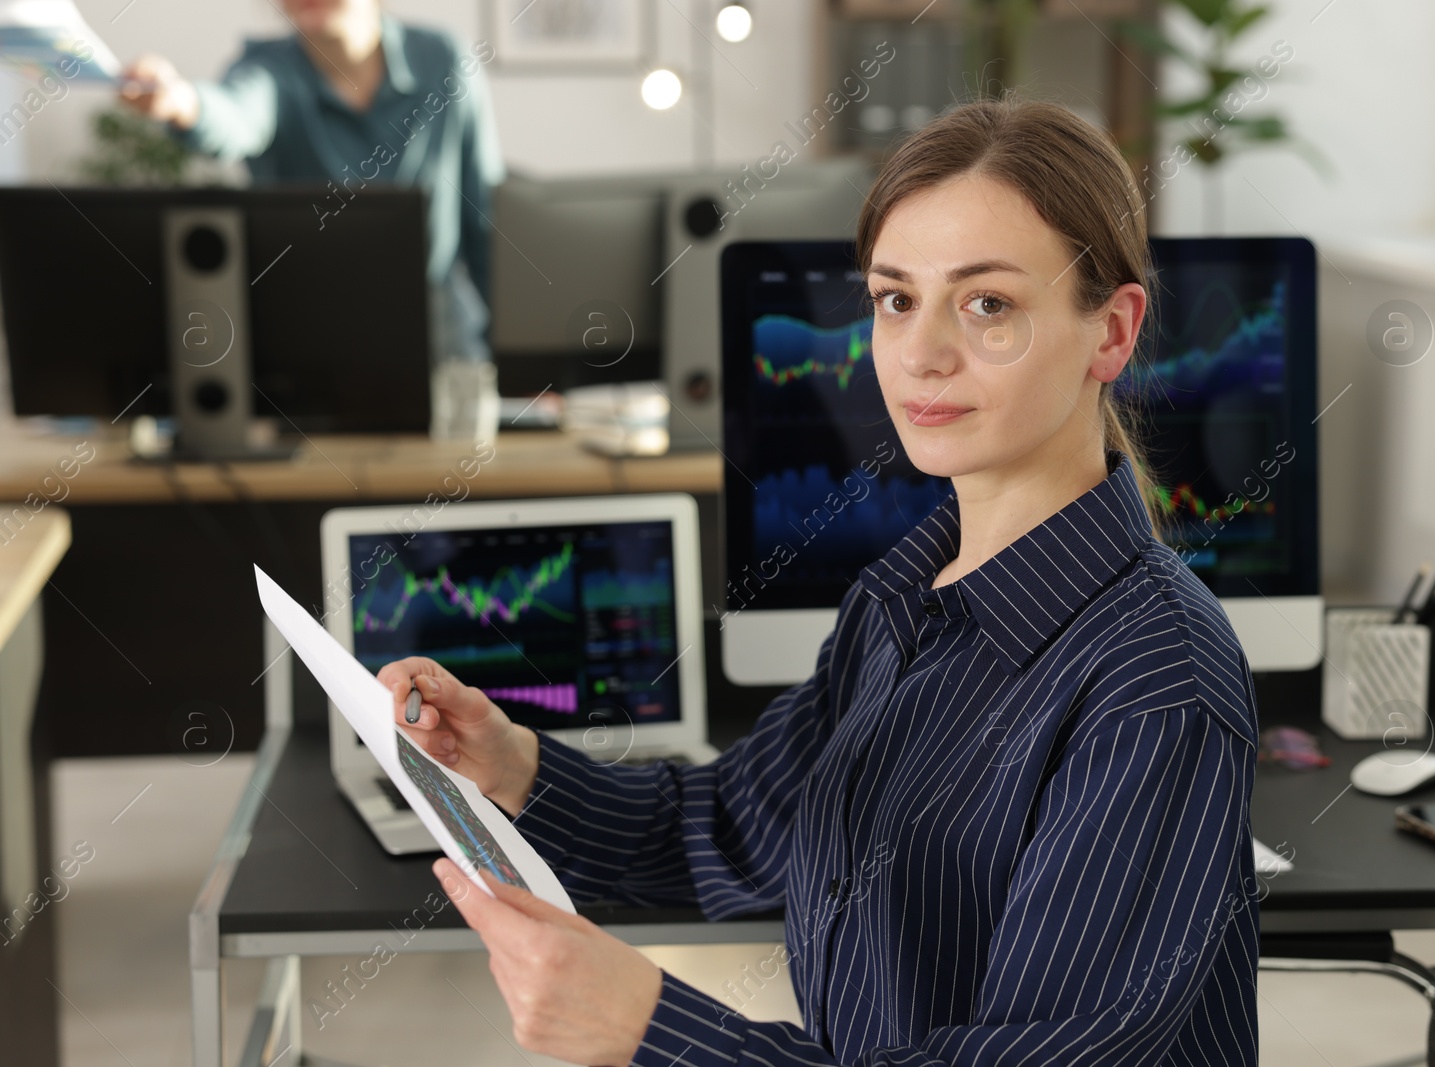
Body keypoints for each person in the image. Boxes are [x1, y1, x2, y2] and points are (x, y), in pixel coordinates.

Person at [379, 97, 1262, 1067]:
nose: (921, 352)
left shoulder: (1155, 682)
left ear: (1111, 331)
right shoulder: (899, 601)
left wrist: (652, 1028)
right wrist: (512, 763)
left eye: (987, 303)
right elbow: (724, 830)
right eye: (894, 298)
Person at [118, 0, 503, 364]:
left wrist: (519, 359)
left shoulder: (443, 60)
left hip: (440, 338)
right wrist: (182, 102)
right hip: (306, 337)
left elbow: (486, 221)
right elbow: (233, 116)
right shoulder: (268, 69)